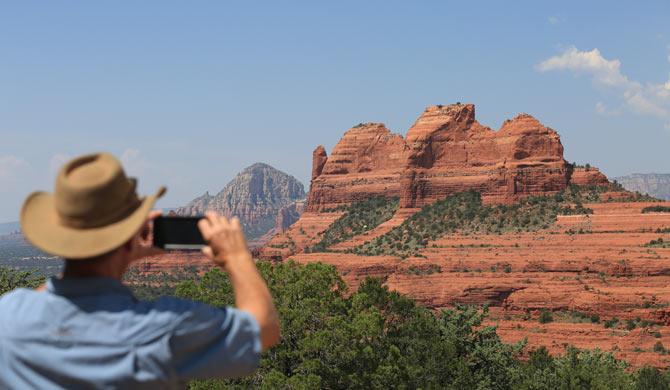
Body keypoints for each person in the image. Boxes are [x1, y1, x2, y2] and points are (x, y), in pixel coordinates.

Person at [0, 152, 280, 388]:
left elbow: (51, 300)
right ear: (130, 232)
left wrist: (122, 247)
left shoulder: (9, 318)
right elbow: (263, 329)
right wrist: (238, 258)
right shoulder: (159, 328)